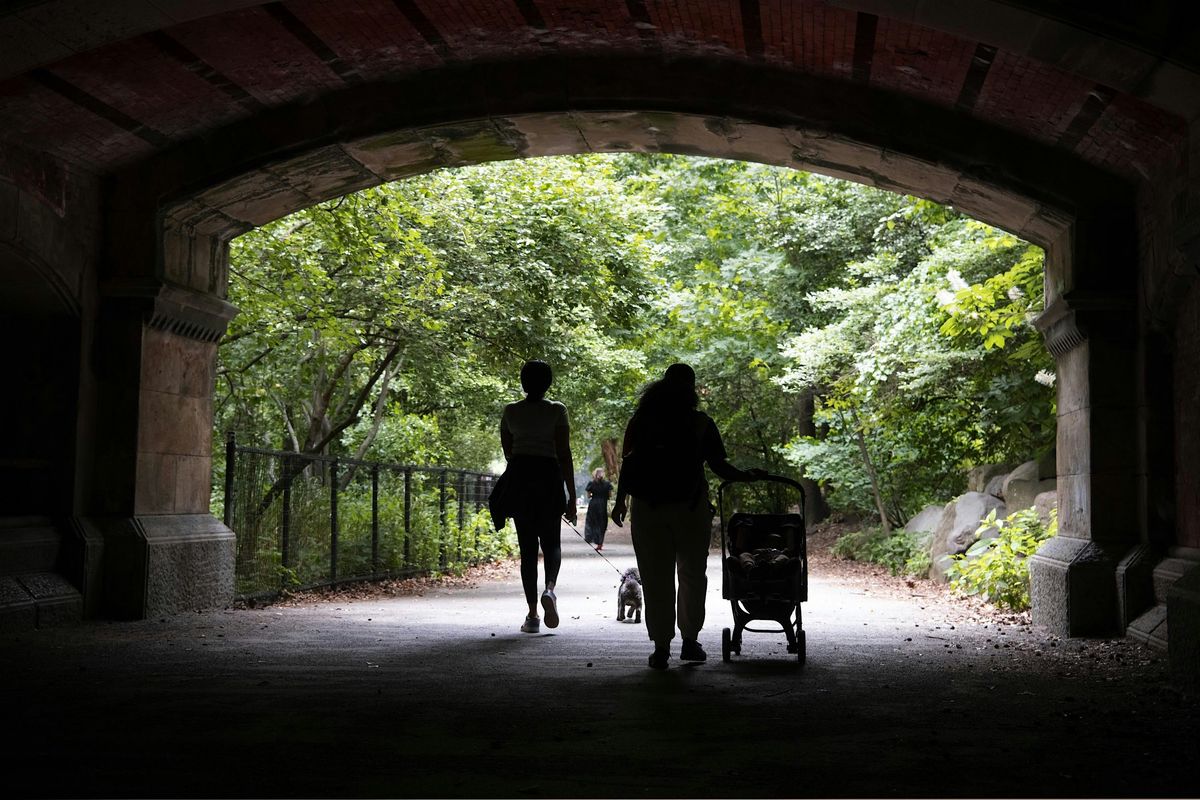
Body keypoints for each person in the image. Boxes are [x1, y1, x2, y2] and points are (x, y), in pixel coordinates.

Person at [611, 363, 763, 670]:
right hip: (690, 509)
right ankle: (690, 641)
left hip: (648, 509)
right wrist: (747, 477)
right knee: (693, 576)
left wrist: (621, 501)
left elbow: (628, 465)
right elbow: (719, 466)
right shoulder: (700, 423)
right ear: (692, 390)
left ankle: (662, 647)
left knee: (655, 579)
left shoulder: (641, 421)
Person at [499, 360, 577, 634]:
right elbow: (564, 453)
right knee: (552, 543)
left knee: (528, 551)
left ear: (523, 382)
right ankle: (550, 590)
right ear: (548, 384)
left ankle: (532, 615)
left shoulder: (511, 411)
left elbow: (508, 451)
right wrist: (571, 496)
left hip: (521, 479)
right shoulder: (557, 411)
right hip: (548, 478)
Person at [583, 468, 613, 550]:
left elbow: (589, 496)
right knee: (602, 523)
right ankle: (600, 543)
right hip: (602, 505)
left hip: (593, 505)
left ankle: (590, 537)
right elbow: (609, 496)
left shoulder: (591, 484)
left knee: (591, 522)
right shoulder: (607, 484)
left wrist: (594, 494)